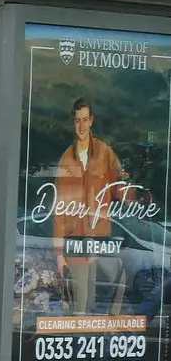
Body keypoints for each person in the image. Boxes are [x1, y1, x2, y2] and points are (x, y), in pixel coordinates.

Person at [52, 97, 125, 313]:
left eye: (85, 120)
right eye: (77, 120)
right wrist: (59, 254)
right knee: (80, 304)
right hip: (75, 241)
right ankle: (78, 329)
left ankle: (101, 328)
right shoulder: (66, 159)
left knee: (114, 286)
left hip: (101, 240)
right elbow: (59, 209)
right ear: (73, 123)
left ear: (91, 121)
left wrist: (137, 193)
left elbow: (120, 186)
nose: (81, 126)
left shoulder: (104, 152)